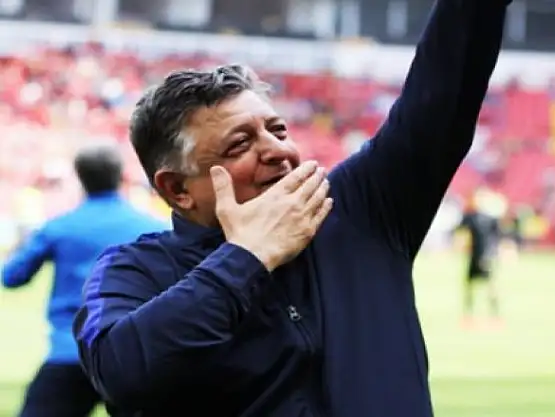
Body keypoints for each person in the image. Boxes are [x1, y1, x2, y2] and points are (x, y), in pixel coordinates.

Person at [73, 1, 510, 416]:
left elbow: (444, 88)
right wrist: (246, 257)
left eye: (278, 130)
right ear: (178, 189)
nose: (278, 150)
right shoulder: (135, 270)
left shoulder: (356, 211)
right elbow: (120, 373)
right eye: (240, 144)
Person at [2, 144, 166, 417]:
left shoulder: (60, 227)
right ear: (121, 176)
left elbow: (12, 277)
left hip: (71, 352)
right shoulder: (154, 228)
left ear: (80, 178)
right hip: (133, 356)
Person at [456, 190, 503, 323]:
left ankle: (494, 314)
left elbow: (497, 238)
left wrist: (494, 254)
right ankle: (469, 313)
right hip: (476, 255)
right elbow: (460, 231)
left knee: (490, 285)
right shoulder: (472, 217)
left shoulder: (489, 219)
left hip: (485, 255)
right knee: (471, 284)